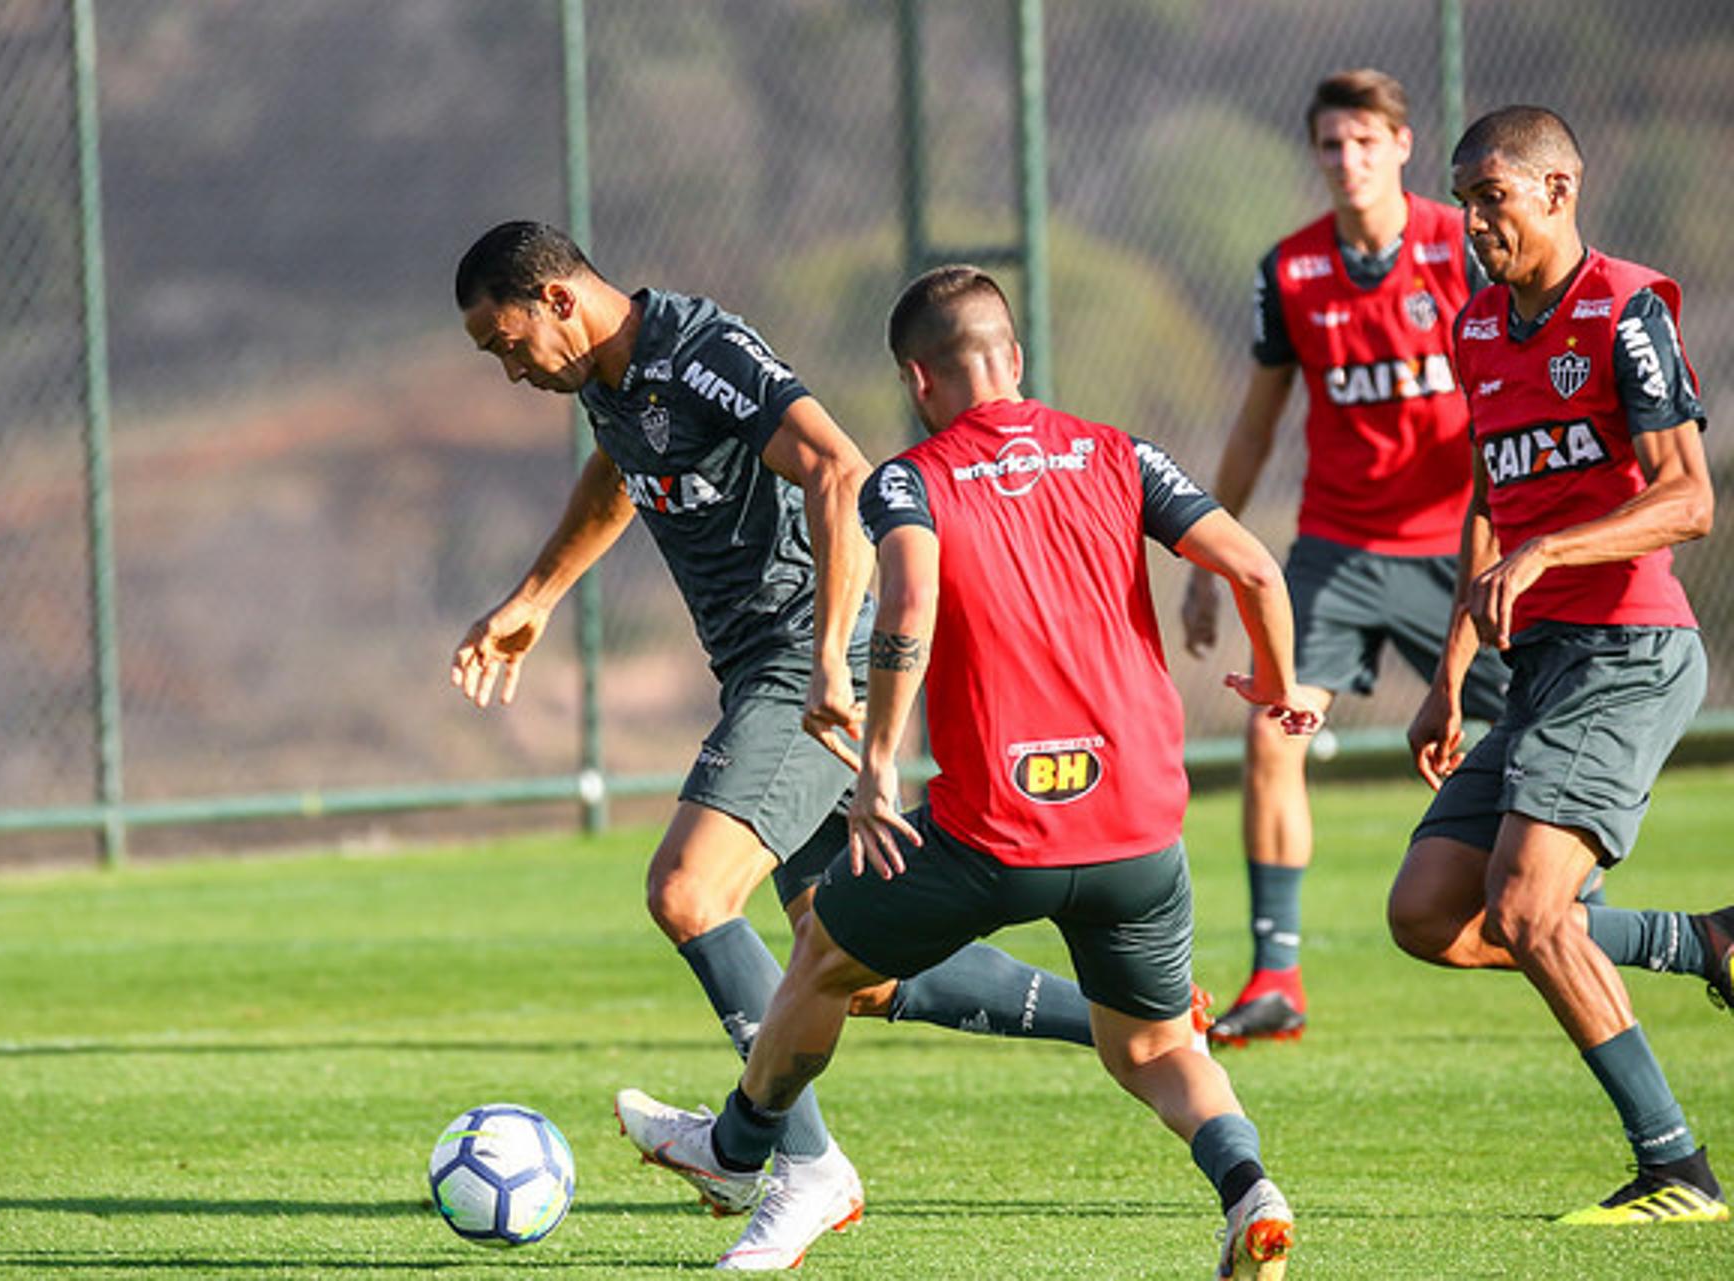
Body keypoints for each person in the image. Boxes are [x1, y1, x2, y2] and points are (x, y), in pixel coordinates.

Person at [450, 222, 1143, 1263]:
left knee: (688, 891)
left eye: (506, 343)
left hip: (810, 662)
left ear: (557, 300)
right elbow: (619, 471)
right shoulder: (608, 380)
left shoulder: (699, 352)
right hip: (769, 668)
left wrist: (825, 657)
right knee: (849, 959)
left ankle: (795, 1167)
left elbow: (835, 464)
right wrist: (536, 597)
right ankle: (1135, 1019)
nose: (508, 370)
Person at [617, 265, 1319, 1274]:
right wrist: (1282, 685)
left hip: (996, 831)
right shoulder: (1122, 454)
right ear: (1016, 358)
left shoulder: (912, 479)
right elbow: (1254, 566)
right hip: (1139, 831)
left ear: (917, 378)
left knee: (821, 953)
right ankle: (1251, 1188)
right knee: (1156, 1049)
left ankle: (736, 1153)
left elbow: (905, 610)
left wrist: (876, 765)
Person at [1387, 105, 1733, 1224]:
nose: (1474, 218)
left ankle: (1678, 1170)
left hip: (1628, 646)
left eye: (1493, 195)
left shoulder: (1626, 309)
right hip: (1540, 665)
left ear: (1558, 189)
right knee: (1431, 914)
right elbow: (1491, 500)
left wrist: (1552, 549)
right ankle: (1704, 942)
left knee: (1533, 910)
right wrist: (1447, 674)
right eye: (1465, 197)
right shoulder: (1477, 329)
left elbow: (1689, 499)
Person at [1182, 69, 1515, 1046]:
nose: (1348, 160)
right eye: (1332, 144)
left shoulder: (1461, 245)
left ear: (1402, 147)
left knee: (1538, 731)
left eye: (1366, 142)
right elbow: (1253, 427)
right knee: (1273, 730)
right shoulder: (1289, 269)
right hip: (1336, 545)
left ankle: (1570, 915)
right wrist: (1208, 554)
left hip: (1462, 544)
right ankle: (1277, 976)